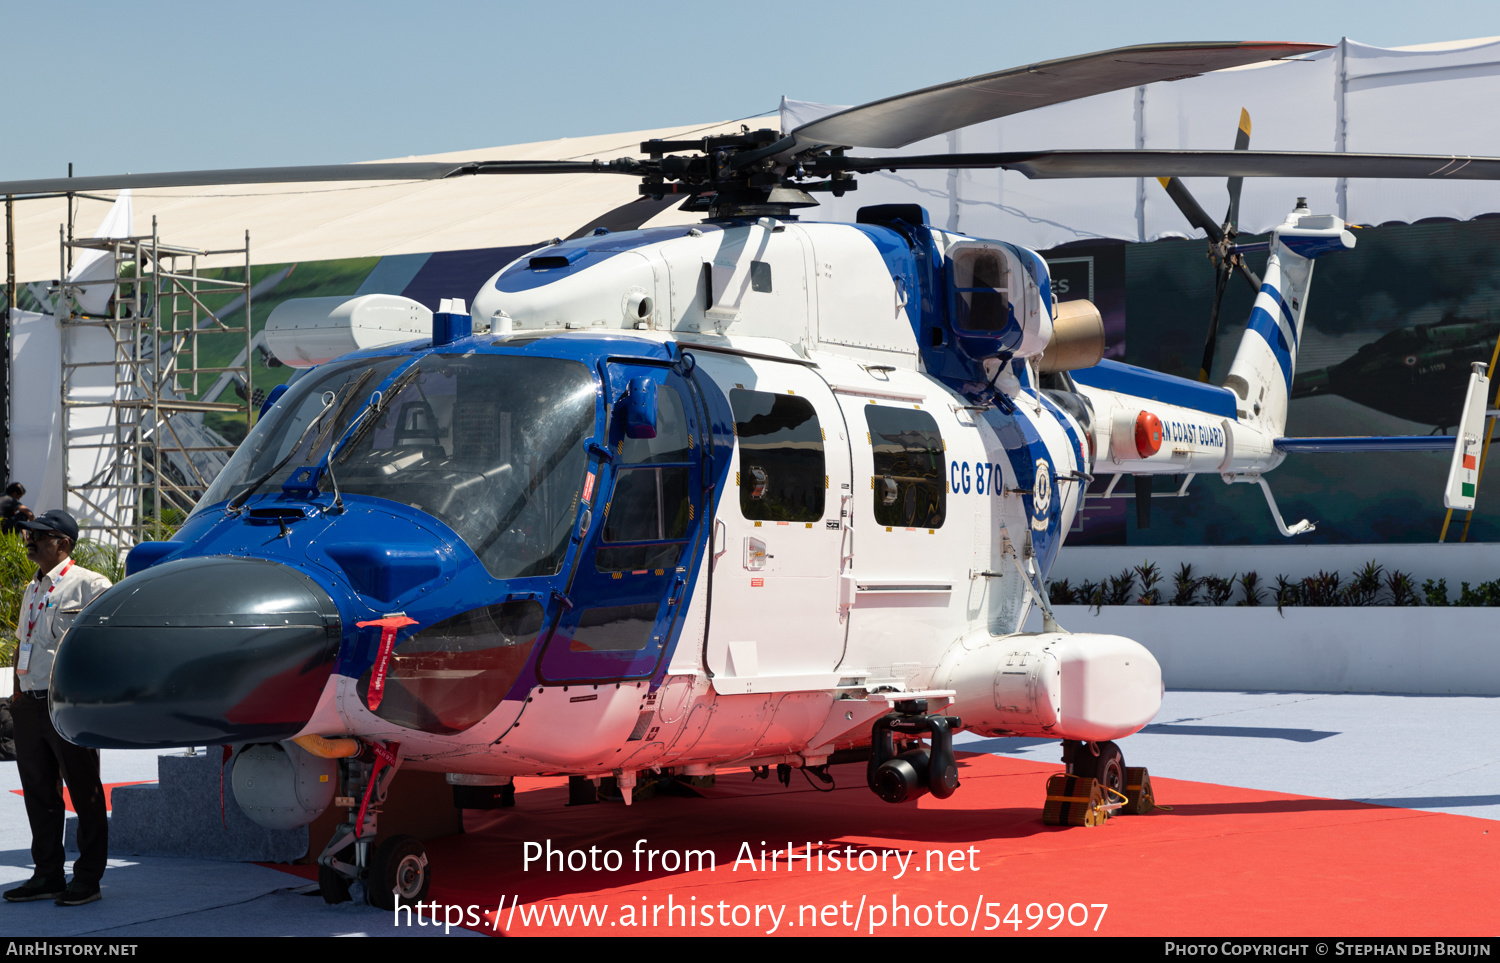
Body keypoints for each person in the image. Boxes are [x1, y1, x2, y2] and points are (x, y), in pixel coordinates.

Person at [5, 510, 112, 906]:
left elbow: (104, 646)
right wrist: (16, 694)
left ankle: (88, 878)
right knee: (39, 792)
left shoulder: (90, 584)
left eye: (40, 536)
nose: (29, 540)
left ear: (63, 543)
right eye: (29, 535)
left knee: (84, 792)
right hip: (30, 706)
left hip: (68, 704)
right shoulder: (34, 588)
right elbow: (22, 642)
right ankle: (47, 874)